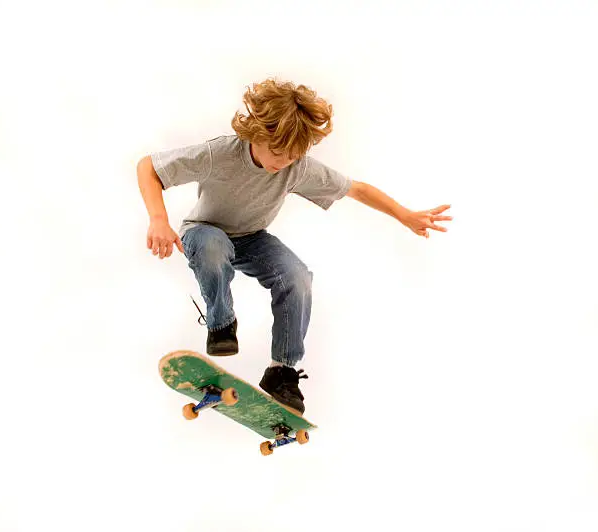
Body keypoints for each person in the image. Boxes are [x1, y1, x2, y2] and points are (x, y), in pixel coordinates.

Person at [137, 78, 452, 414]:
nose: (282, 164)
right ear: (256, 133)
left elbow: (356, 189)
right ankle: (221, 322)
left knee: (297, 278)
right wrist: (158, 219)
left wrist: (405, 215)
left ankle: (282, 371)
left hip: (252, 238)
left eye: (292, 157)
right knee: (213, 249)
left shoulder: (297, 168)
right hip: (204, 232)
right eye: (277, 153)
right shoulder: (220, 153)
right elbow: (149, 166)